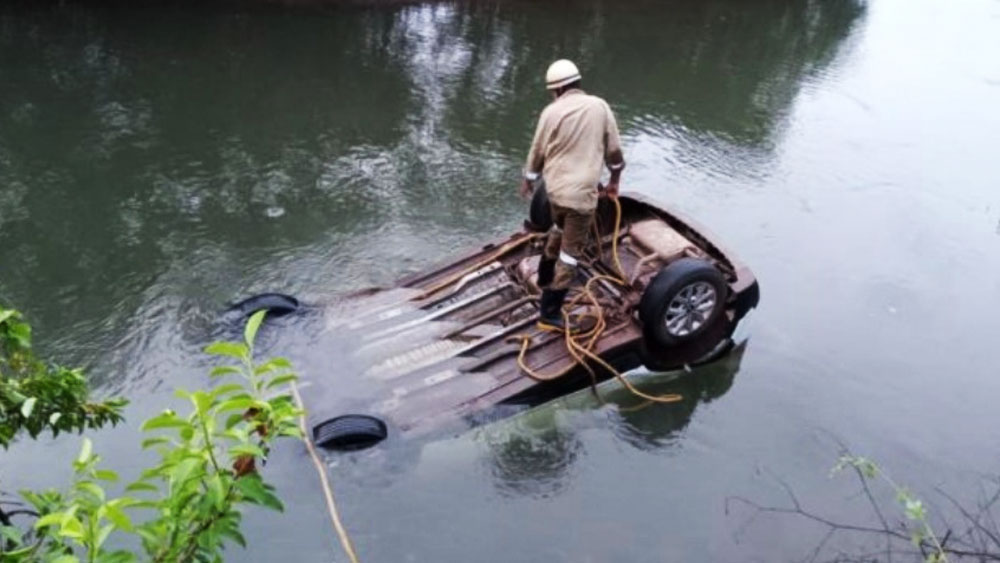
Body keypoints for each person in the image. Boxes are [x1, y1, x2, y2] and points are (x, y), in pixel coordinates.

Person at [521, 59, 626, 331]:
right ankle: (550, 314)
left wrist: (529, 180)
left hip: (554, 193)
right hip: (580, 198)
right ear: (577, 84)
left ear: (556, 90)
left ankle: (544, 276)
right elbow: (614, 151)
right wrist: (614, 180)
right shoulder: (599, 106)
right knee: (571, 254)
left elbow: (537, 151)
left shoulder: (550, 112)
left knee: (558, 227)